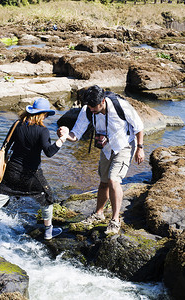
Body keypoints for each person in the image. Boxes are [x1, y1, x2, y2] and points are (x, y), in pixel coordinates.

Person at [0, 97, 69, 250]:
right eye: (46, 115)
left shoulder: (17, 125)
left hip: (11, 172)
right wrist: (62, 139)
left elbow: (5, 145)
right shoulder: (43, 130)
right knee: (47, 198)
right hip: (31, 175)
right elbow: (49, 152)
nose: (46, 118)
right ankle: (48, 232)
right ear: (42, 114)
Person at [59, 85, 144, 234]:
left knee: (113, 179)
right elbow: (76, 134)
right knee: (103, 182)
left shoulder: (120, 105)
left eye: (94, 107)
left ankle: (115, 220)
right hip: (106, 150)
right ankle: (98, 214)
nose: (91, 110)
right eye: (89, 107)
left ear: (103, 101)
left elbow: (138, 126)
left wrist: (140, 148)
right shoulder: (87, 110)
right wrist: (66, 134)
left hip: (124, 145)